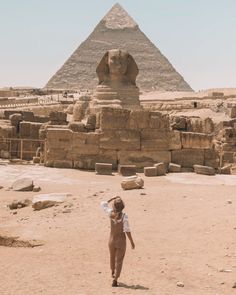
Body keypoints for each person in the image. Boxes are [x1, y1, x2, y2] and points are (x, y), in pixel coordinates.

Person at [101, 196, 135, 287]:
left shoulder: (110, 213)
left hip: (111, 240)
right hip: (121, 241)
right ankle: (115, 279)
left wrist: (112, 198)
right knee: (119, 260)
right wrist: (131, 241)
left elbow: (103, 204)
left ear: (114, 207)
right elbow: (127, 230)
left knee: (112, 257)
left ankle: (112, 270)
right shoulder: (124, 216)